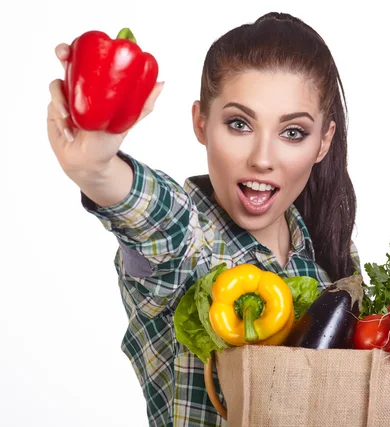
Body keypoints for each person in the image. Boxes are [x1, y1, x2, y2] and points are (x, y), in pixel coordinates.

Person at [47, 11, 360, 427]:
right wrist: (97, 170)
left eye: (293, 133)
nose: (262, 159)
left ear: (323, 142)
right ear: (201, 122)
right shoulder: (188, 245)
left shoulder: (334, 258)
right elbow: (156, 218)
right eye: (239, 124)